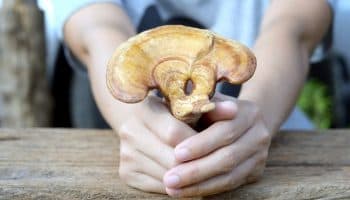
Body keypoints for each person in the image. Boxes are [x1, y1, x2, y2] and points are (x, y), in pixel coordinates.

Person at [51, 0, 333, 197]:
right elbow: (97, 32)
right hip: (142, 166)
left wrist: (253, 120)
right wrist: (137, 125)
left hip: (273, 160)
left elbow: (293, 30)